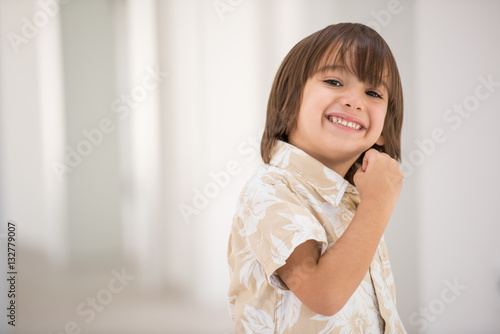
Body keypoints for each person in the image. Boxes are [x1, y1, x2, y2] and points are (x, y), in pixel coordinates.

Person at [227, 22, 407, 333]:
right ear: (289, 100)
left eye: (373, 92)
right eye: (335, 81)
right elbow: (324, 295)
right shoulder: (269, 190)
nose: (355, 100)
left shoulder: (354, 201)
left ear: (384, 130)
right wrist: (378, 202)